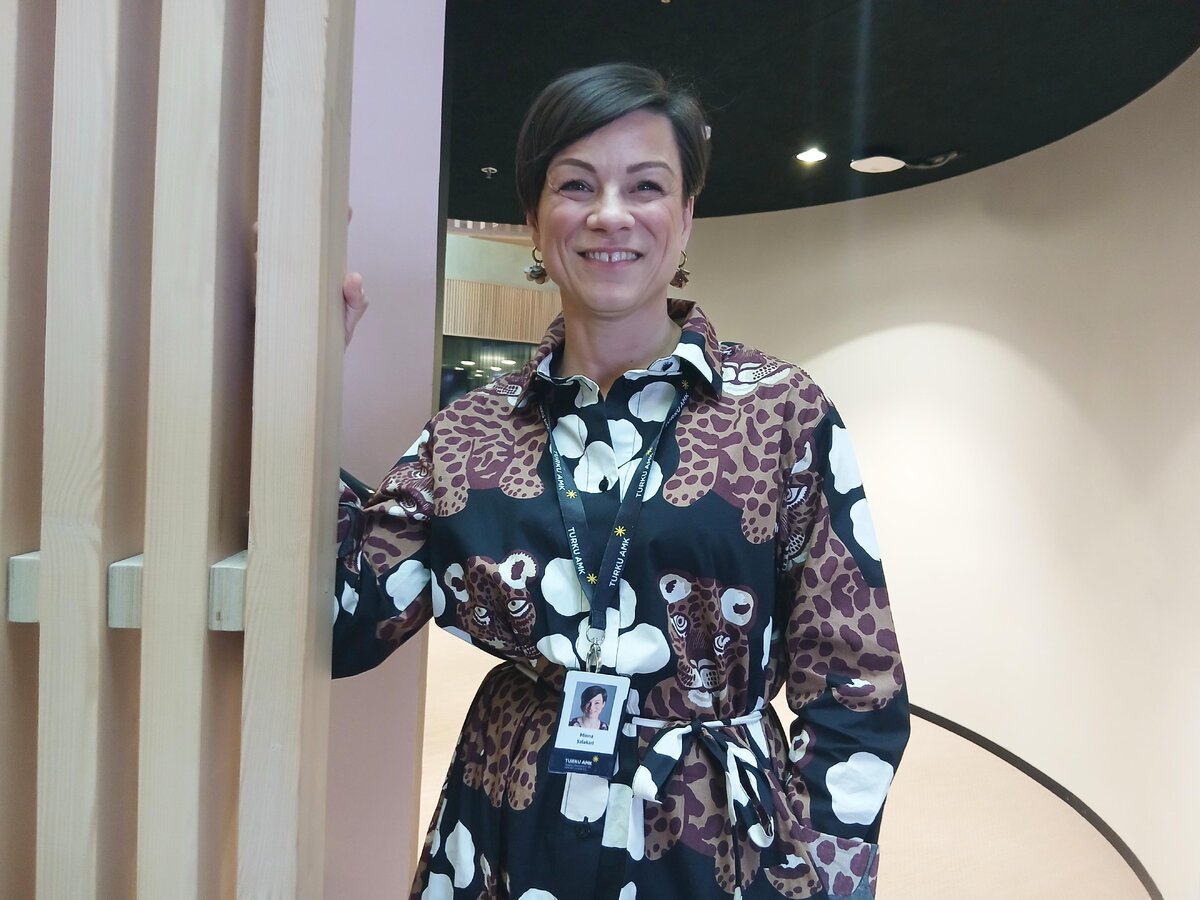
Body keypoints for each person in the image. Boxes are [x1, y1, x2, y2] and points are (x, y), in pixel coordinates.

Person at [333, 62, 909, 900]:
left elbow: (857, 684)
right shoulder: (468, 432)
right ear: (533, 221)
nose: (610, 214)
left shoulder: (782, 412)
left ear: (685, 217)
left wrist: (823, 872)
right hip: (510, 818)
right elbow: (346, 625)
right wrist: (298, 367)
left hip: (716, 836)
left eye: (646, 186)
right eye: (575, 185)